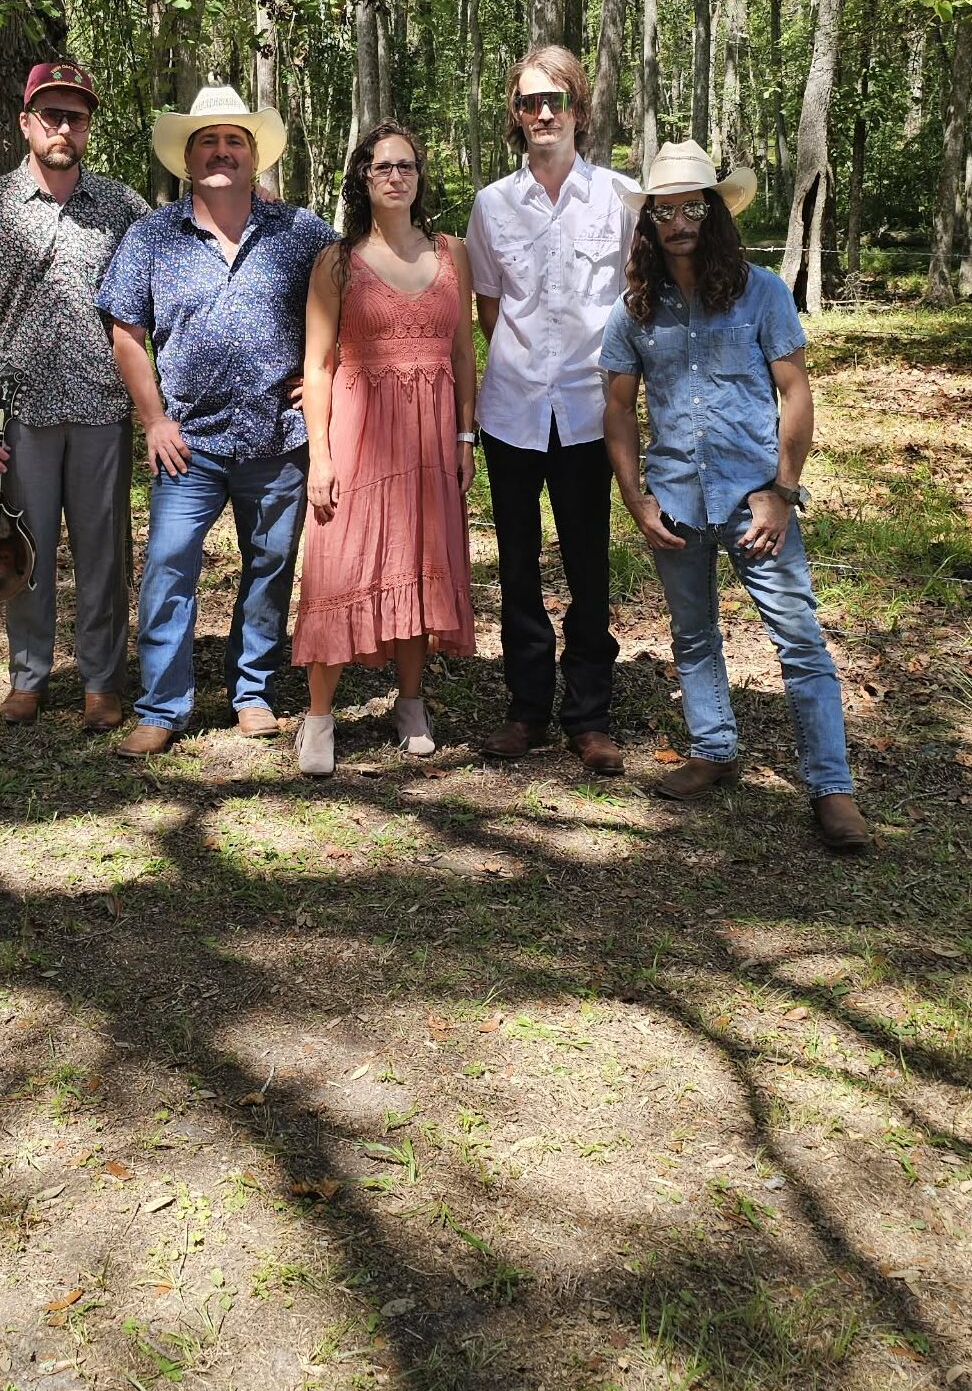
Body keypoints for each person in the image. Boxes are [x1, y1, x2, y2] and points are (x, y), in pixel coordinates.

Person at [600, 140, 870, 852]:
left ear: (715, 212)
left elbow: (796, 393)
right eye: (665, 211)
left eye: (693, 208)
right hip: (676, 502)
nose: (679, 223)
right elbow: (619, 410)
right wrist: (635, 498)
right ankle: (715, 748)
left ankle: (831, 787)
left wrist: (782, 491)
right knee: (693, 634)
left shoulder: (763, 294)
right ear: (649, 222)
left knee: (800, 641)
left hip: (756, 503)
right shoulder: (634, 309)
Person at [97, 84, 335, 756]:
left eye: (234, 140)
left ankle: (252, 692)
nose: (222, 151)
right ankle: (161, 706)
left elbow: (356, 298)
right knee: (168, 567)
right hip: (188, 443)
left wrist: (325, 371)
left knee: (270, 566)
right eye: (208, 141)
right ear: (188, 157)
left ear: (254, 156)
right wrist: (153, 419)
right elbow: (125, 330)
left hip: (278, 439)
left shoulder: (302, 232)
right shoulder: (152, 236)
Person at [0, 60, 149, 729]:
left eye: (76, 117)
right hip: (19, 412)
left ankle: (101, 682)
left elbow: (162, 287)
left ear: (88, 127)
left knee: (103, 551)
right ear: (26, 122)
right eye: (51, 115)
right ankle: (28, 675)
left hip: (101, 405)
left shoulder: (123, 207)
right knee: (17, 546)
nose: (63, 127)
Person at [465, 45, 636, 774]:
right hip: (513, 410)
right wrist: (526, 360)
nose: (542, 113)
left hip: (591, 412)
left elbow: (635, 299)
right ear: (515, 113)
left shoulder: (620, 198)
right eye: (529, 102)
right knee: (517, 566)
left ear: (578, 109)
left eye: (554, 100)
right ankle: (527, 710)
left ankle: (589, 716)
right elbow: (490, 308)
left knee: (589, 566)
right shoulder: (491, 205)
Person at [291, 123, 476, 777]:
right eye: (381, 167)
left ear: (419, 176)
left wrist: (465, 435)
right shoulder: (337, 262)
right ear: (363, 179)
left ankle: (411, 704)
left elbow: (462, 353)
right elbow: (318, 367)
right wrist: (320, 455)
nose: (395, 176)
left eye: (406, 166)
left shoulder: (453, 253)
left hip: (432, 439)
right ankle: (319, 717)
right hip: (359, 436)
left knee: (419, 560)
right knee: (340, 564)